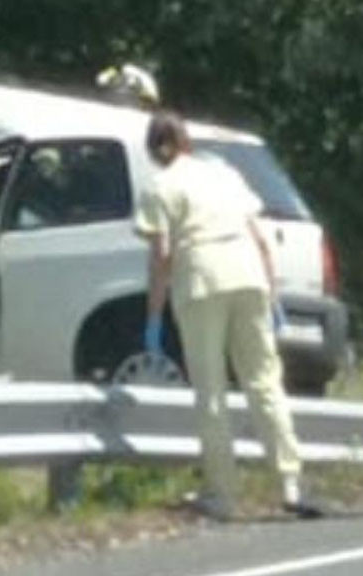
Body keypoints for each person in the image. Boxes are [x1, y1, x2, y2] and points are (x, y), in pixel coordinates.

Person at [134, 110, 322, 520]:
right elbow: (259, 238)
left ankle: (221, 493)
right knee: (264, 381)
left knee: (211, 389)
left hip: (202, 281)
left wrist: (153, 315)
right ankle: (291, 482)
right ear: (185, 141)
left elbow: (162, 255)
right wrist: (272, 295)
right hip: (248, 273)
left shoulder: (160, 186)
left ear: (157, 149)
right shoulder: (225, 175)